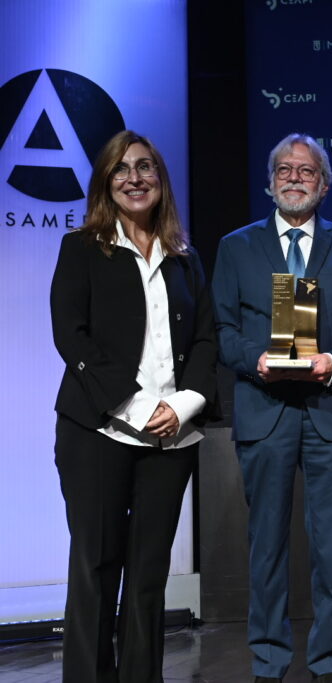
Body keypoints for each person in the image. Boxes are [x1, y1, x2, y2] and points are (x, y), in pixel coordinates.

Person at [50, 130, 218, 682]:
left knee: (148, 577)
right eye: (121, 170)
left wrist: (185, 403)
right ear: (105, 183)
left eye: (145, 167)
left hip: (172, 437)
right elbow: (71, 337)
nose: (134, 178)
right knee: (97, 569)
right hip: (96, 429)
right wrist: (142, 405)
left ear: (160, 180)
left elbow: (206, 341)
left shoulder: (184, 258)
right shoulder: (81, 249)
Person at [211, 133, 332, 683]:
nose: (294, 177)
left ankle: (328, 661)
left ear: (324, 184)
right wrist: (253, 359)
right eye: (284, 169)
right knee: (267, 548)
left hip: (331, 412)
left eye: (306, 170)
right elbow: (222, 330)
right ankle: (268, 659)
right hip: (265, 410)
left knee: (331, 550)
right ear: (269, 181)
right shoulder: (236, 247)